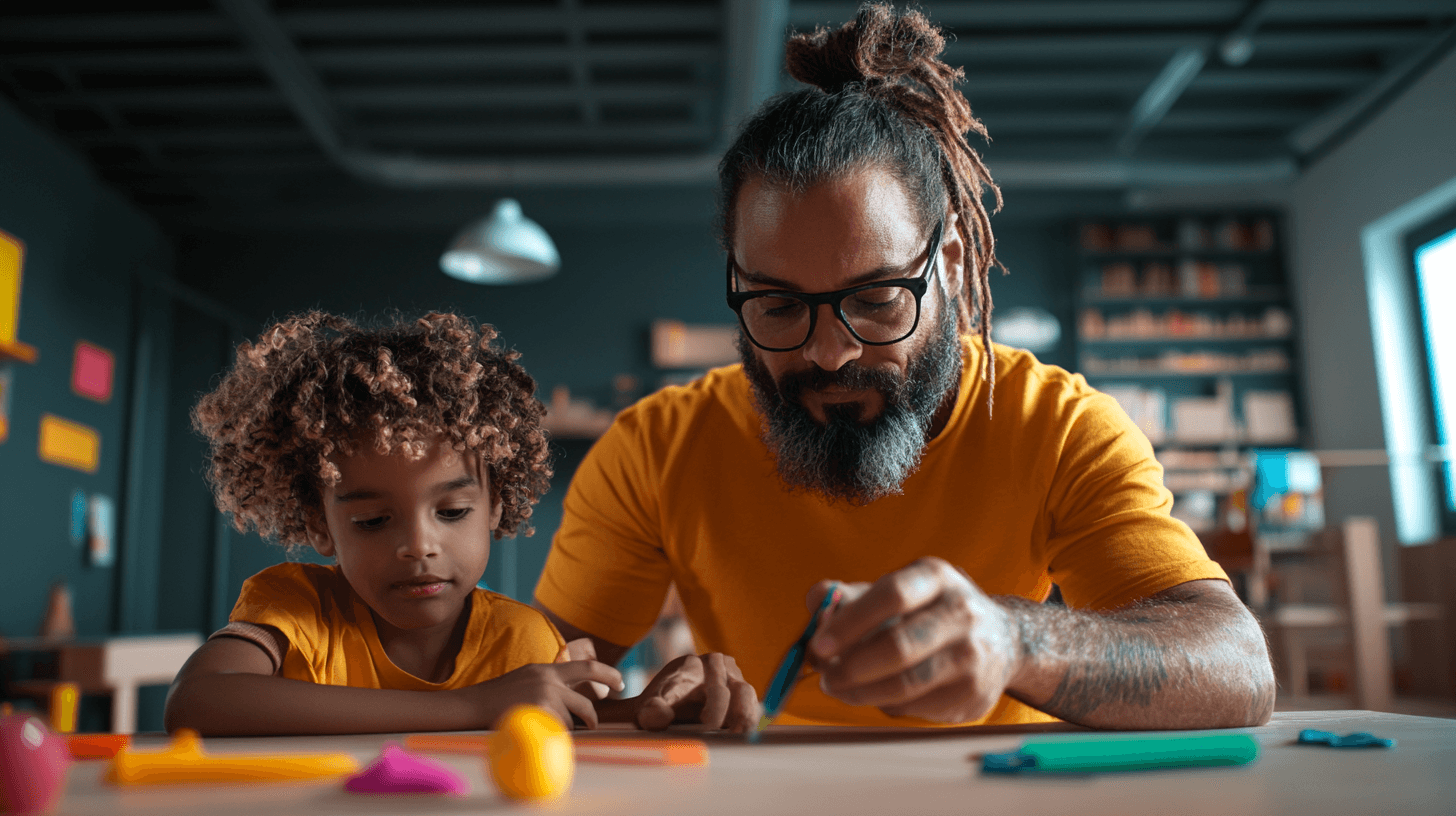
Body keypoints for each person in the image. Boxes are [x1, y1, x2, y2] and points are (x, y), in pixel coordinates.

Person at [535, 5, 1276, 730]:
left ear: (949, 263)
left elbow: (1237, 670)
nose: (829, 352)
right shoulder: (655, 449)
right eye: (779, 306)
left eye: (878, 298)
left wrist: (1018, 640)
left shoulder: (1056, 426)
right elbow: (529, 683)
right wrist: (648, 708)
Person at [165, 311, 756, 735]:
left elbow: (572, 724)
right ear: (320, 524)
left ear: (496, 506)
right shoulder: (295, 608)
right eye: (373, 520)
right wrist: (473, 708)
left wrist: (658, 708)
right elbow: (197, 701)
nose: (419, 546)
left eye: (451, 513)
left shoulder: (523, 642)